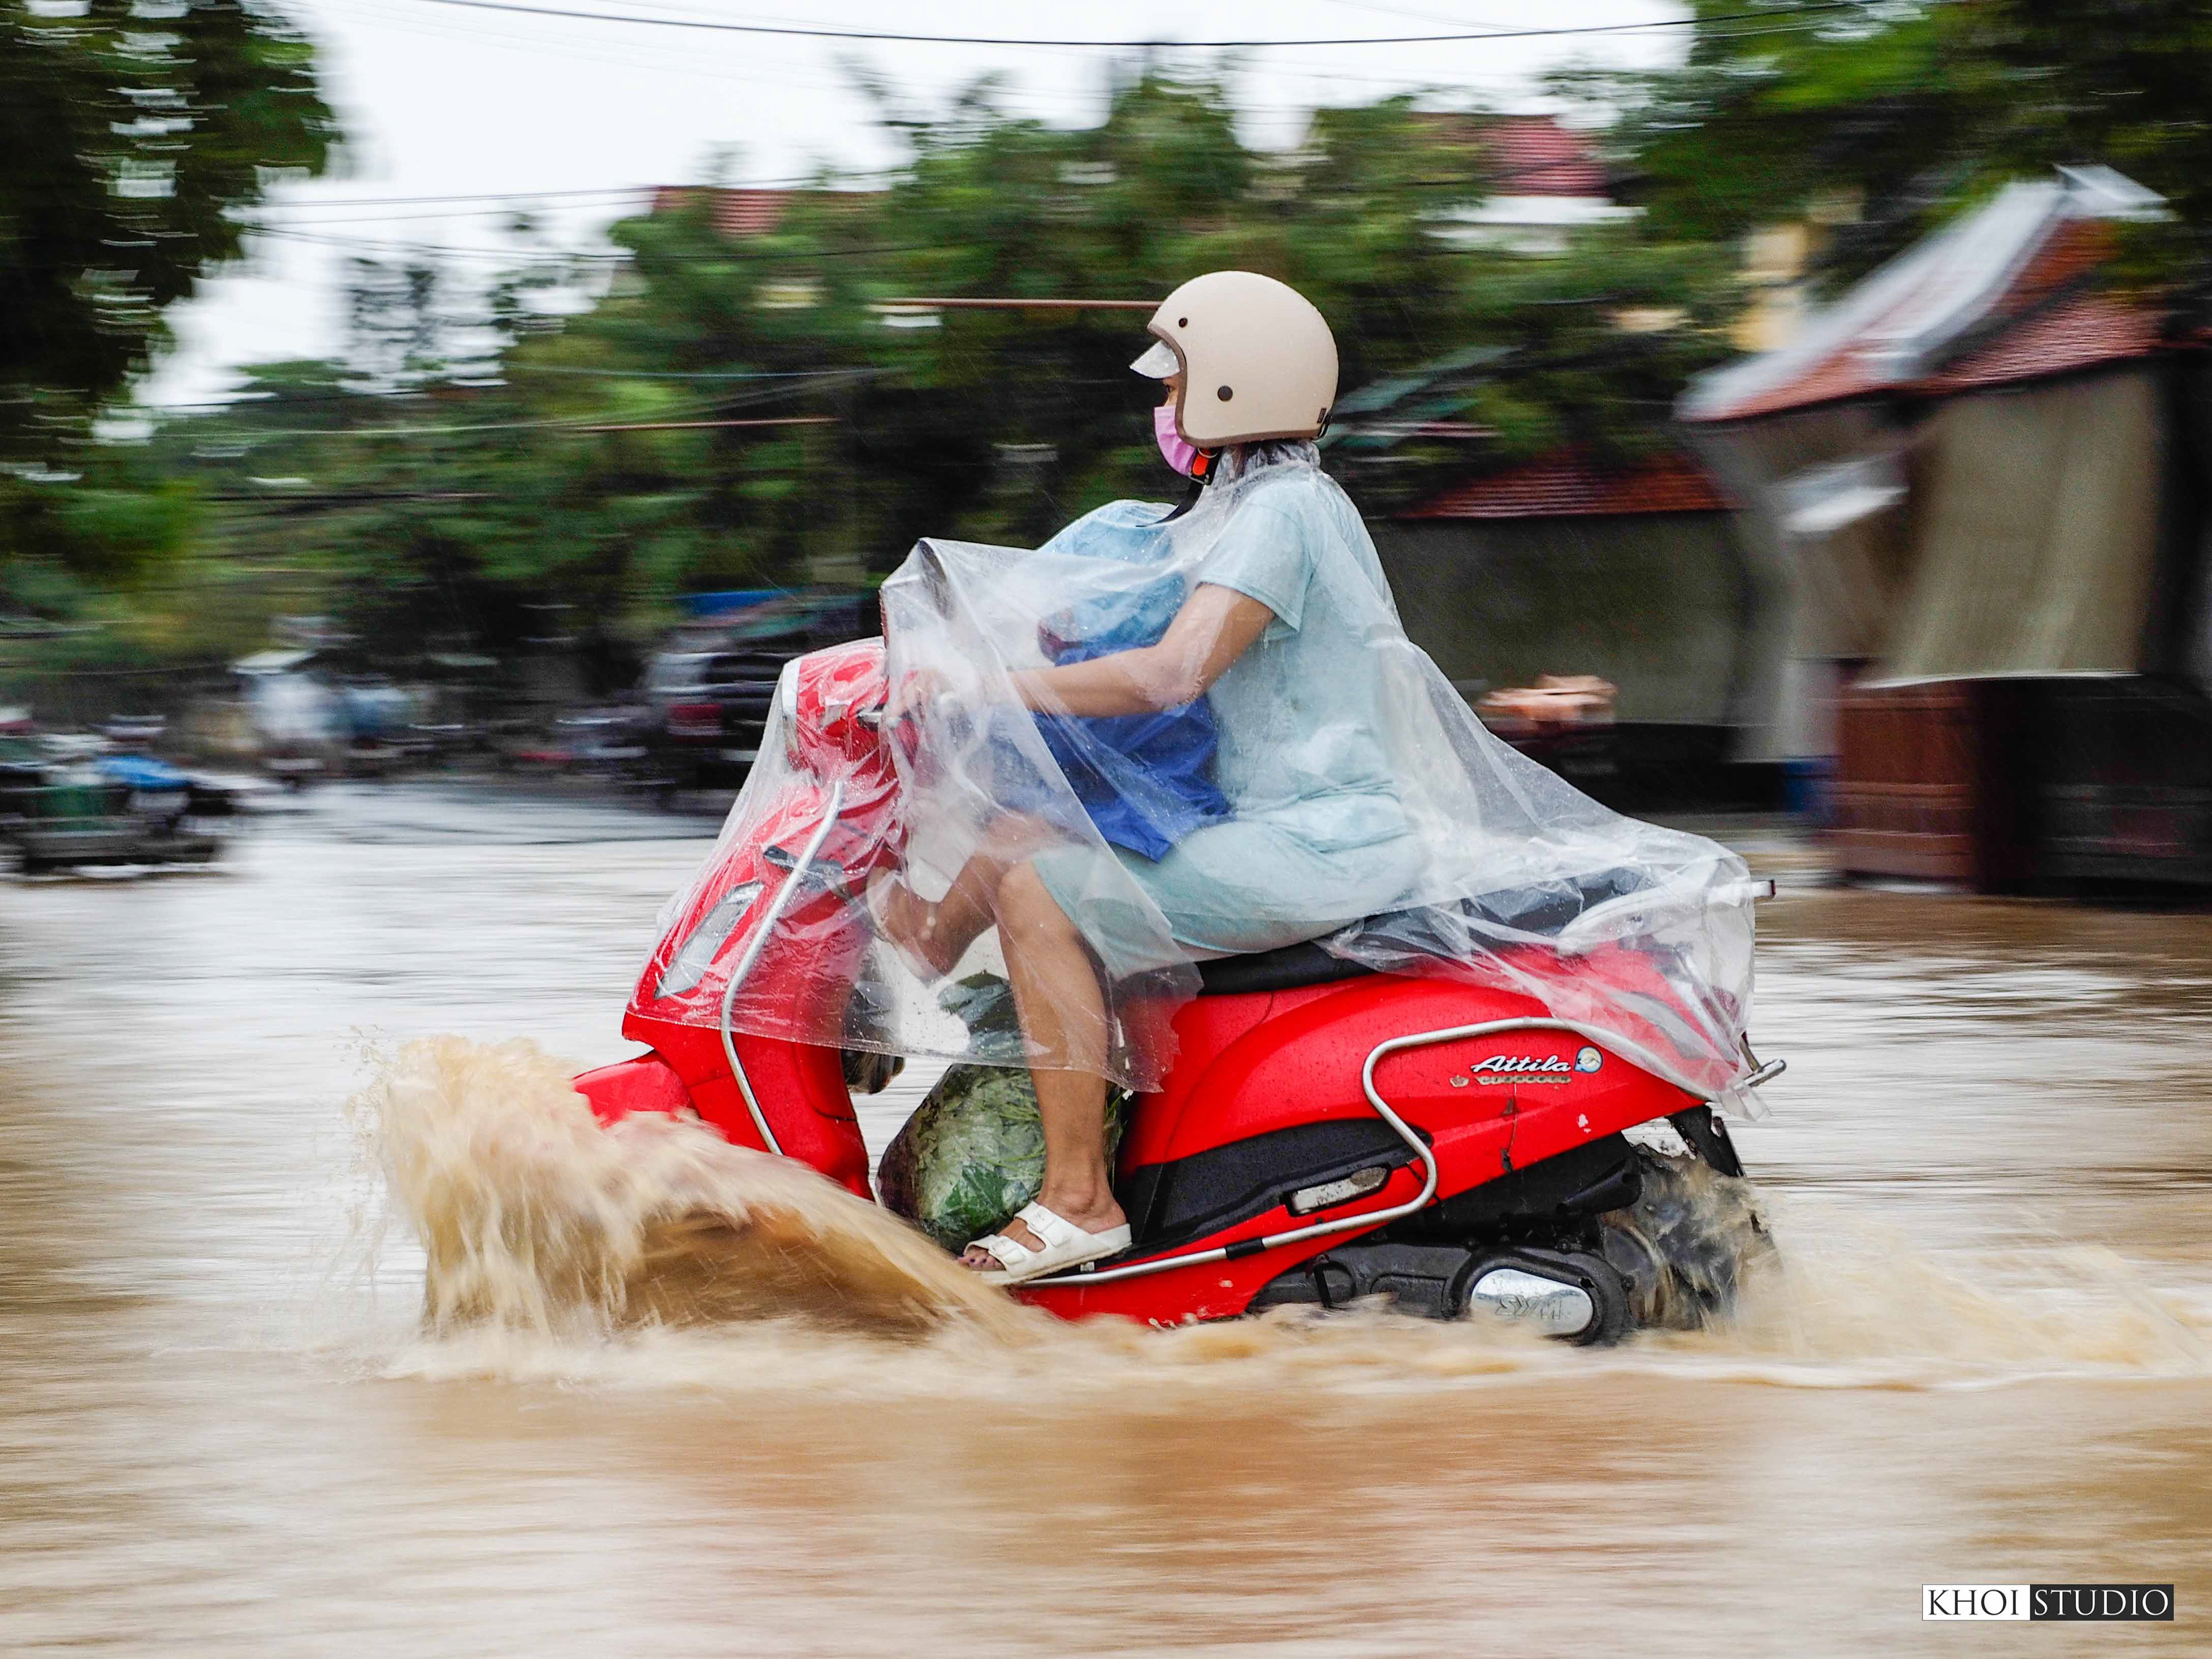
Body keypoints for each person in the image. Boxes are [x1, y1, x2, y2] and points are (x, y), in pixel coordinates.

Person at [870, 271, 1427, 1282]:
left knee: (1042, 893)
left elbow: (1172, 670)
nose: (1160, 407)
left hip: (1319, 843)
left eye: (1172, 385)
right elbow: (1114, 601)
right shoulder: (1257, 506)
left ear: (1230, 392)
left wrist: (985, 684)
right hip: (1293, 829)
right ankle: (911, 967)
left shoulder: (1285, 511)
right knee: (1024, 842)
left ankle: (1080, 1199)